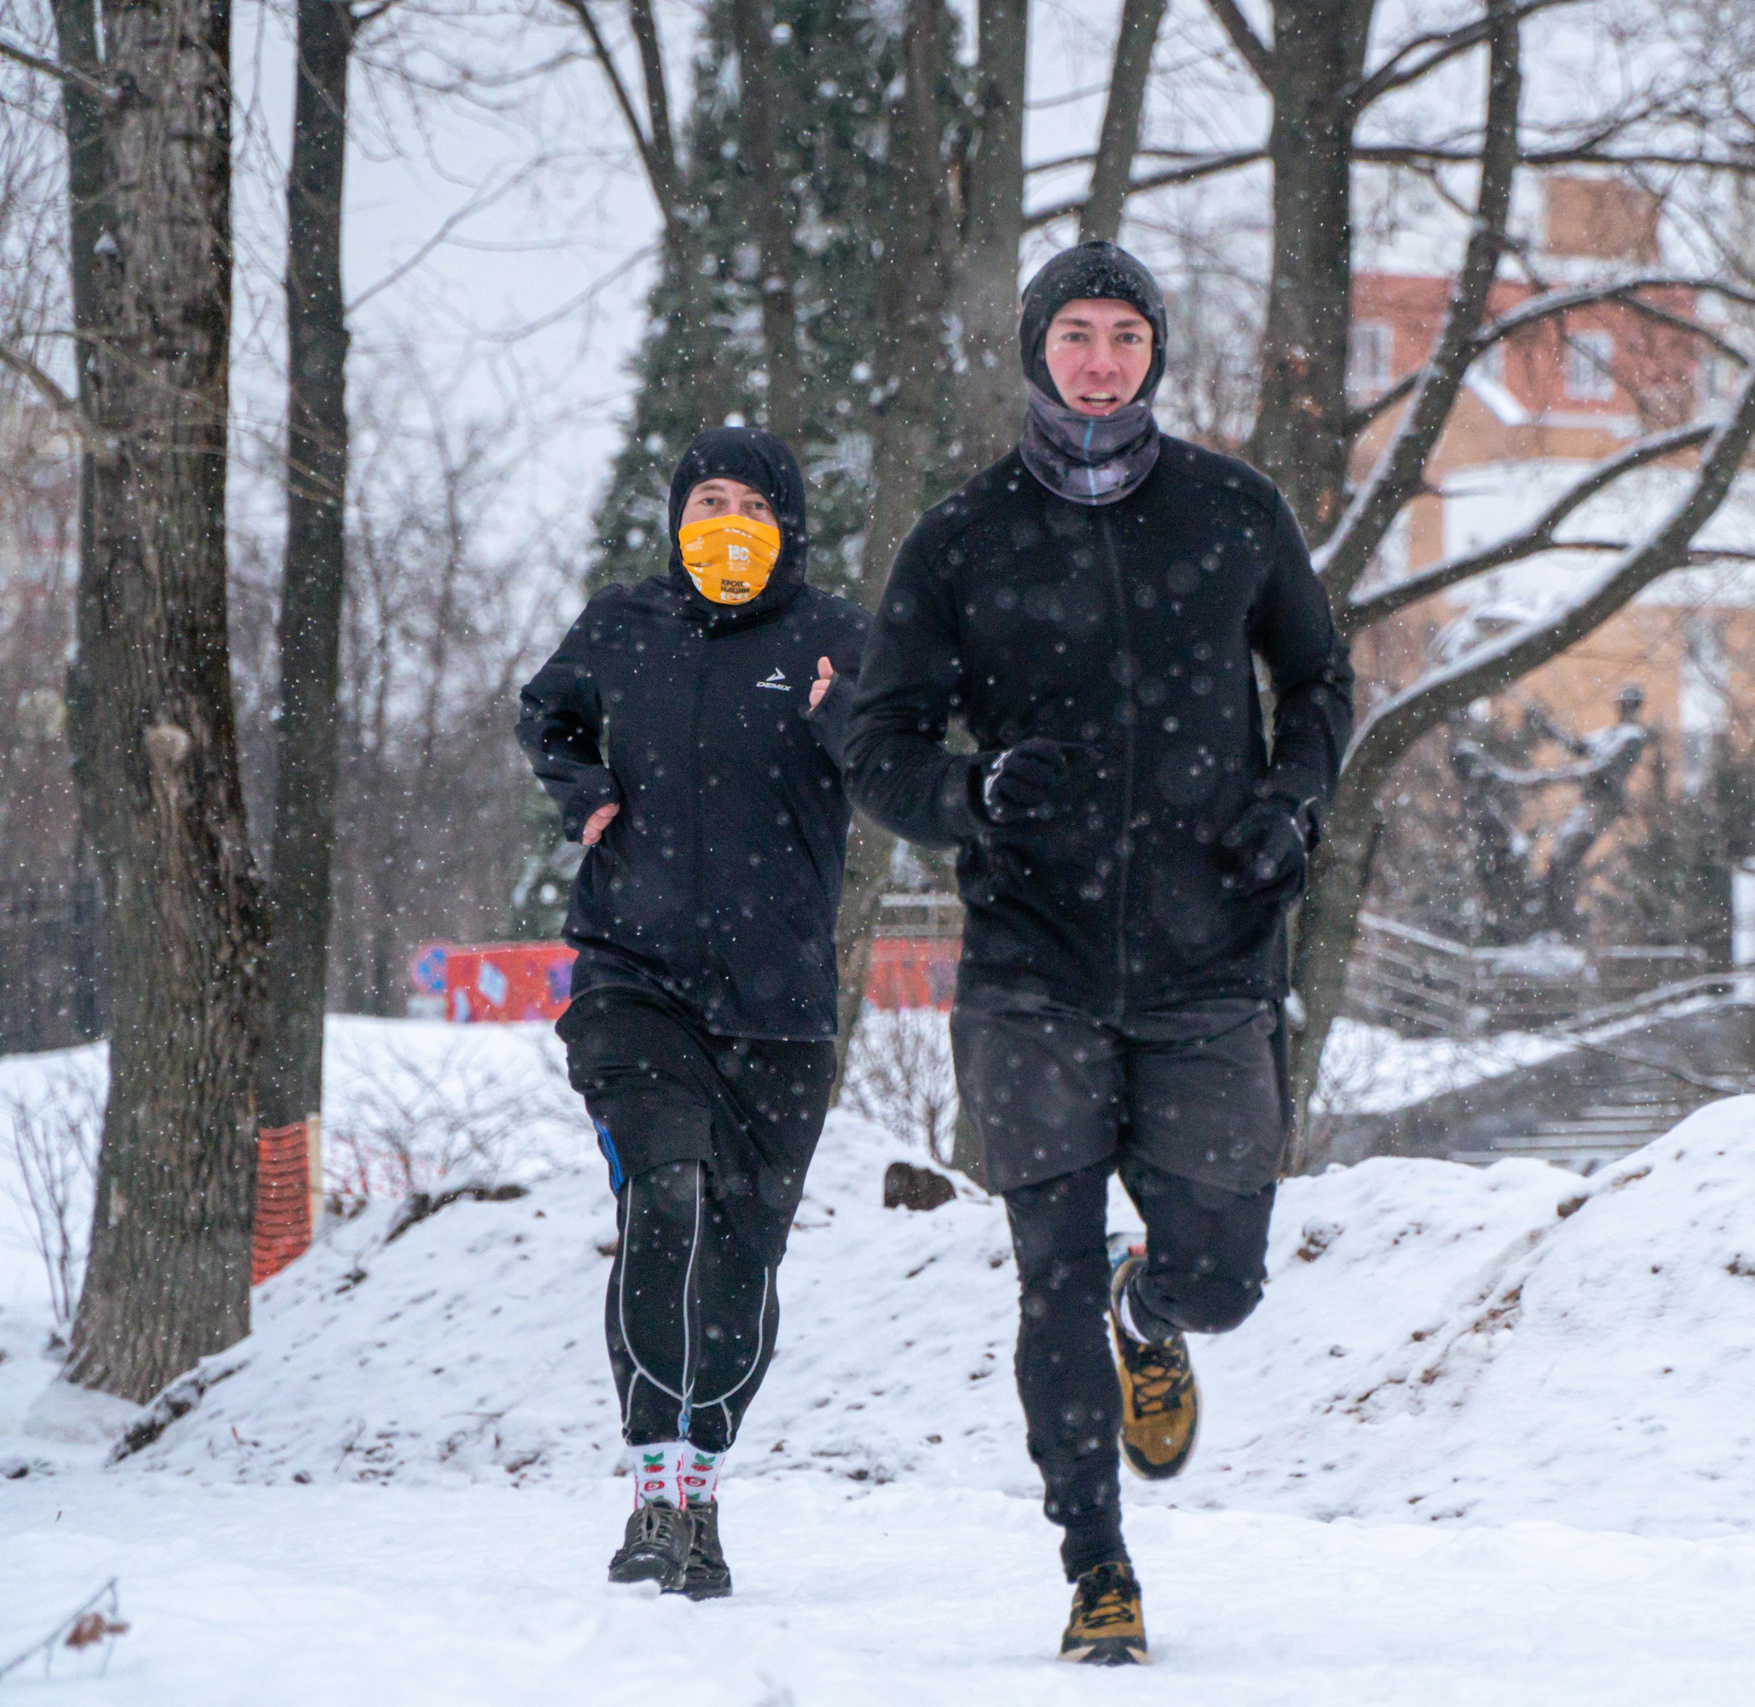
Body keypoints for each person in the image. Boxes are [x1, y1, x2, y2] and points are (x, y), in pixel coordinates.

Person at [827, 241, 1353, 1664]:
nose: (1102, 358)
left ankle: (1157, 1304)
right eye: (1077, 333)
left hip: (1210, 952)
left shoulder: (1234, 513)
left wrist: (1291, 806)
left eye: (1127, 333)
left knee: (1228, 1273)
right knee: (1044, 1269)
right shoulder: (960, 538)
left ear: (1157, 353)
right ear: (1035, 350)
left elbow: (1317, 679)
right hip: (1033, 962)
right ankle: (1096, 1563)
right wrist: (969, 797)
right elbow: (875, 745)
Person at [517, 426, 868, 1599]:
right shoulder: (627, 624)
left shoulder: (832, 639)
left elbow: (898, 762)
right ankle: (651, 1483)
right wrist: (584, 793)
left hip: (781, 1006)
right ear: (677, 520)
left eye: (752, 505)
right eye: (707, 500)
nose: (728, 521)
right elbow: (547, 712)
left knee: (742, 1251)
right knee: (665, 1196)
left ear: (788, 528)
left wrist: (849, 721)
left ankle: (702, 1479)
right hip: (635, 973)